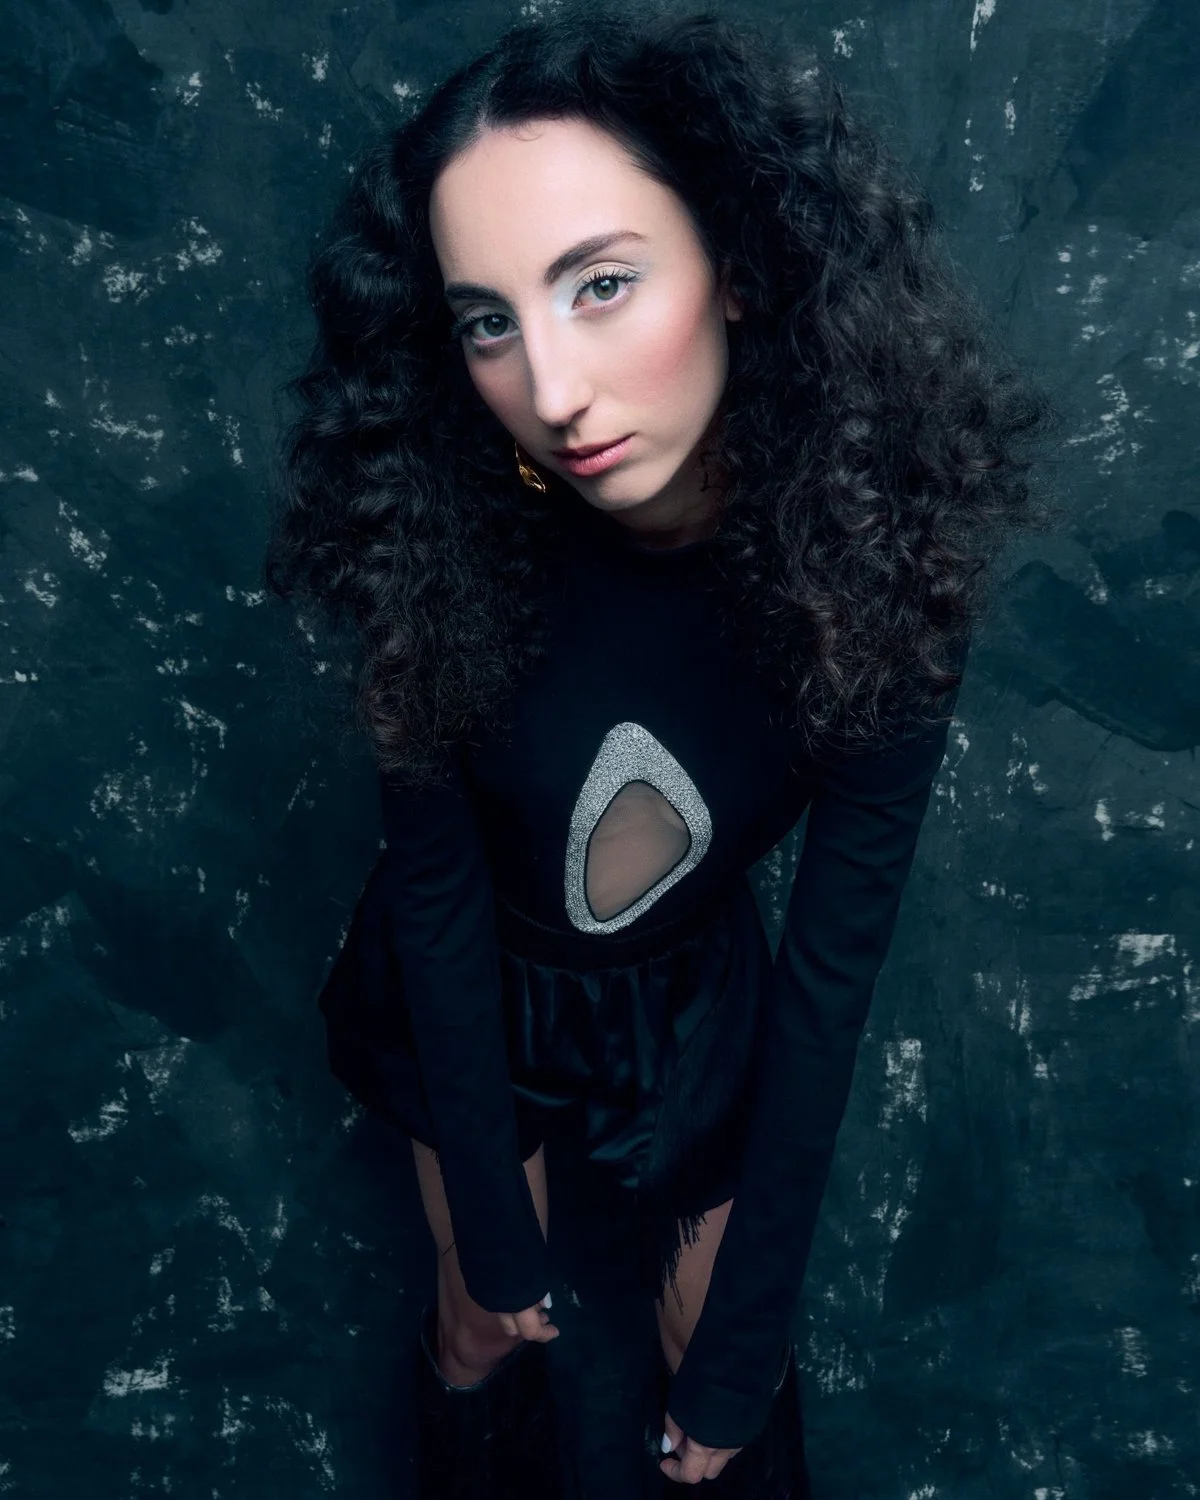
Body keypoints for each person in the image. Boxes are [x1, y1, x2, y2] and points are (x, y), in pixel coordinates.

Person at [264, 1, 1056, 1494]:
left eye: (603, 284)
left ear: (738, 268)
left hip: (696, 1011)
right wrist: (494, 1247)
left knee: (725, 1371)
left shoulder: (878, 578)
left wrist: (751, 1333)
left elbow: (833, 972)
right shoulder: (430, 553)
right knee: (491, 1323)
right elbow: (431, 894)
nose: (551, 392)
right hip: (472, 995)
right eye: (487, 318)